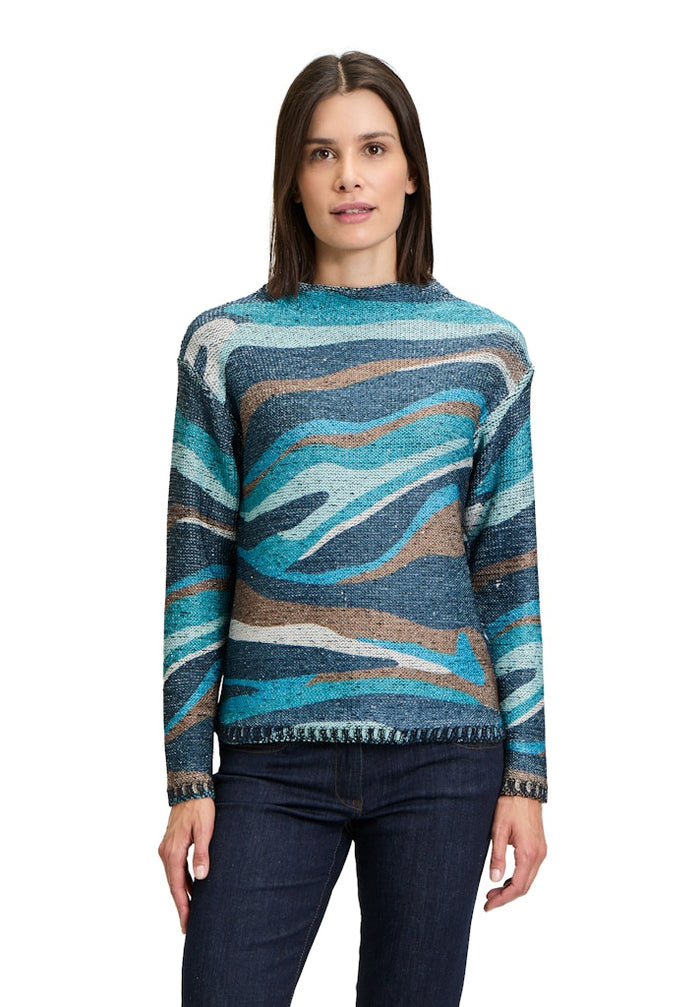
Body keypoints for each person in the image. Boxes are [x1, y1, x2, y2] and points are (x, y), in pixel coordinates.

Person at [159, 50, 547, 1007]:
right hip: (269, 759)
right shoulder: (227, 344)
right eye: (321, 153)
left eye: (373, 149)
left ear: (411, 171)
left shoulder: (488, 350)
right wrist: (187, 777)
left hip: (447, 752)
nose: (348, 177)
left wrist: (528, 777)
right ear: (292, 179)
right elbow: (196, 565)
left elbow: (507, 569)